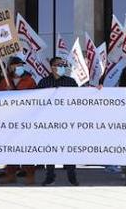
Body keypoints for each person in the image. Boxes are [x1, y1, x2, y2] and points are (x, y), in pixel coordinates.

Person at [36, 55, 80, 186]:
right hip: (49, 123)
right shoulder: (44, 83)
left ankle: (72, 176)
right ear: (52, 67)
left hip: (67, 122)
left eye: (63, 65)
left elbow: (80, 98)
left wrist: (97, 89)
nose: (61, 67)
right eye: (58, 65)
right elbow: (35, 100)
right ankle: (50, 176)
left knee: (69, 150)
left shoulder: (71, 82)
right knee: (50, 149)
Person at [0, 56, 37, 185]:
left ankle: (30, 175)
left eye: (21, 65)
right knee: (11, 147)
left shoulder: (29, 80)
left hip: (26, 118)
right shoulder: (4, 81)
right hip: (10, 119)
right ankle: (10, 174)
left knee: (26, 147)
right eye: (17, 65)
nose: (19, 67)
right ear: (11, 67)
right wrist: (5, 92)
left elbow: (35, 96)